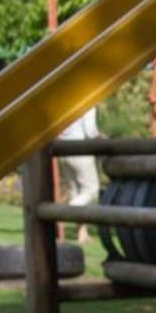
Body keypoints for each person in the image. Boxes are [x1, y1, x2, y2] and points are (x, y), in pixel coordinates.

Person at [56, 104, 102, 244]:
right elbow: (90, 132)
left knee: (76, 192)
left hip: (63, 151)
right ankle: (60, 215)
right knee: (92, 190)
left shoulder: (67, 102)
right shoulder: (88, 103)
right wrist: (103, 139)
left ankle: (82, 235)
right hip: (79, 150)